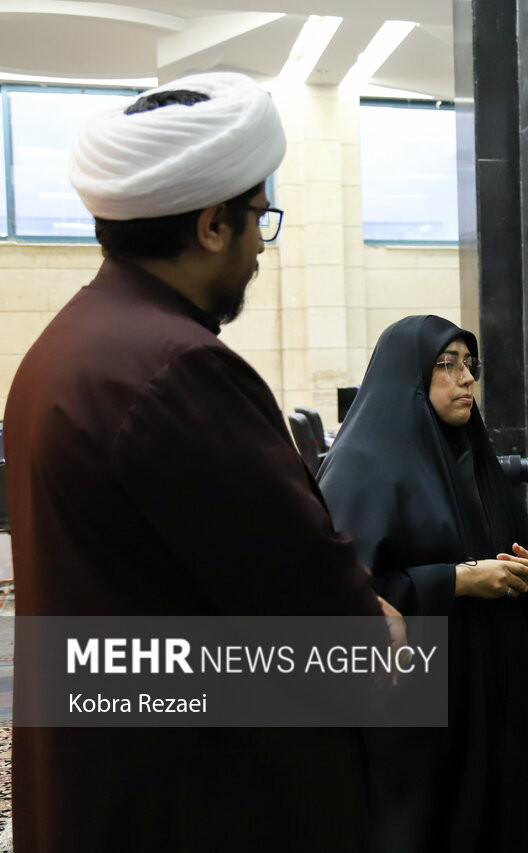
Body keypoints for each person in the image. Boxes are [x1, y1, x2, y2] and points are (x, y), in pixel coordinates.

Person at [3, 72, 399, 851]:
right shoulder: (176, 369)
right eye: (258, 219)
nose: (260, 247)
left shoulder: (64, 346)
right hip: (198, 794)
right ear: (213, 225)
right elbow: (305, 595)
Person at [317, 315, 528, 852]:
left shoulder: (472, 455)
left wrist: (527, 574)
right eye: (446, 366)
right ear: (409, 377)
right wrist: (458, 580)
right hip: (416, 702)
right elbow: (341, 596)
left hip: (488, 689)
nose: (466, 379)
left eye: (468, 364)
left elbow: (525, 553)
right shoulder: (362, 465)